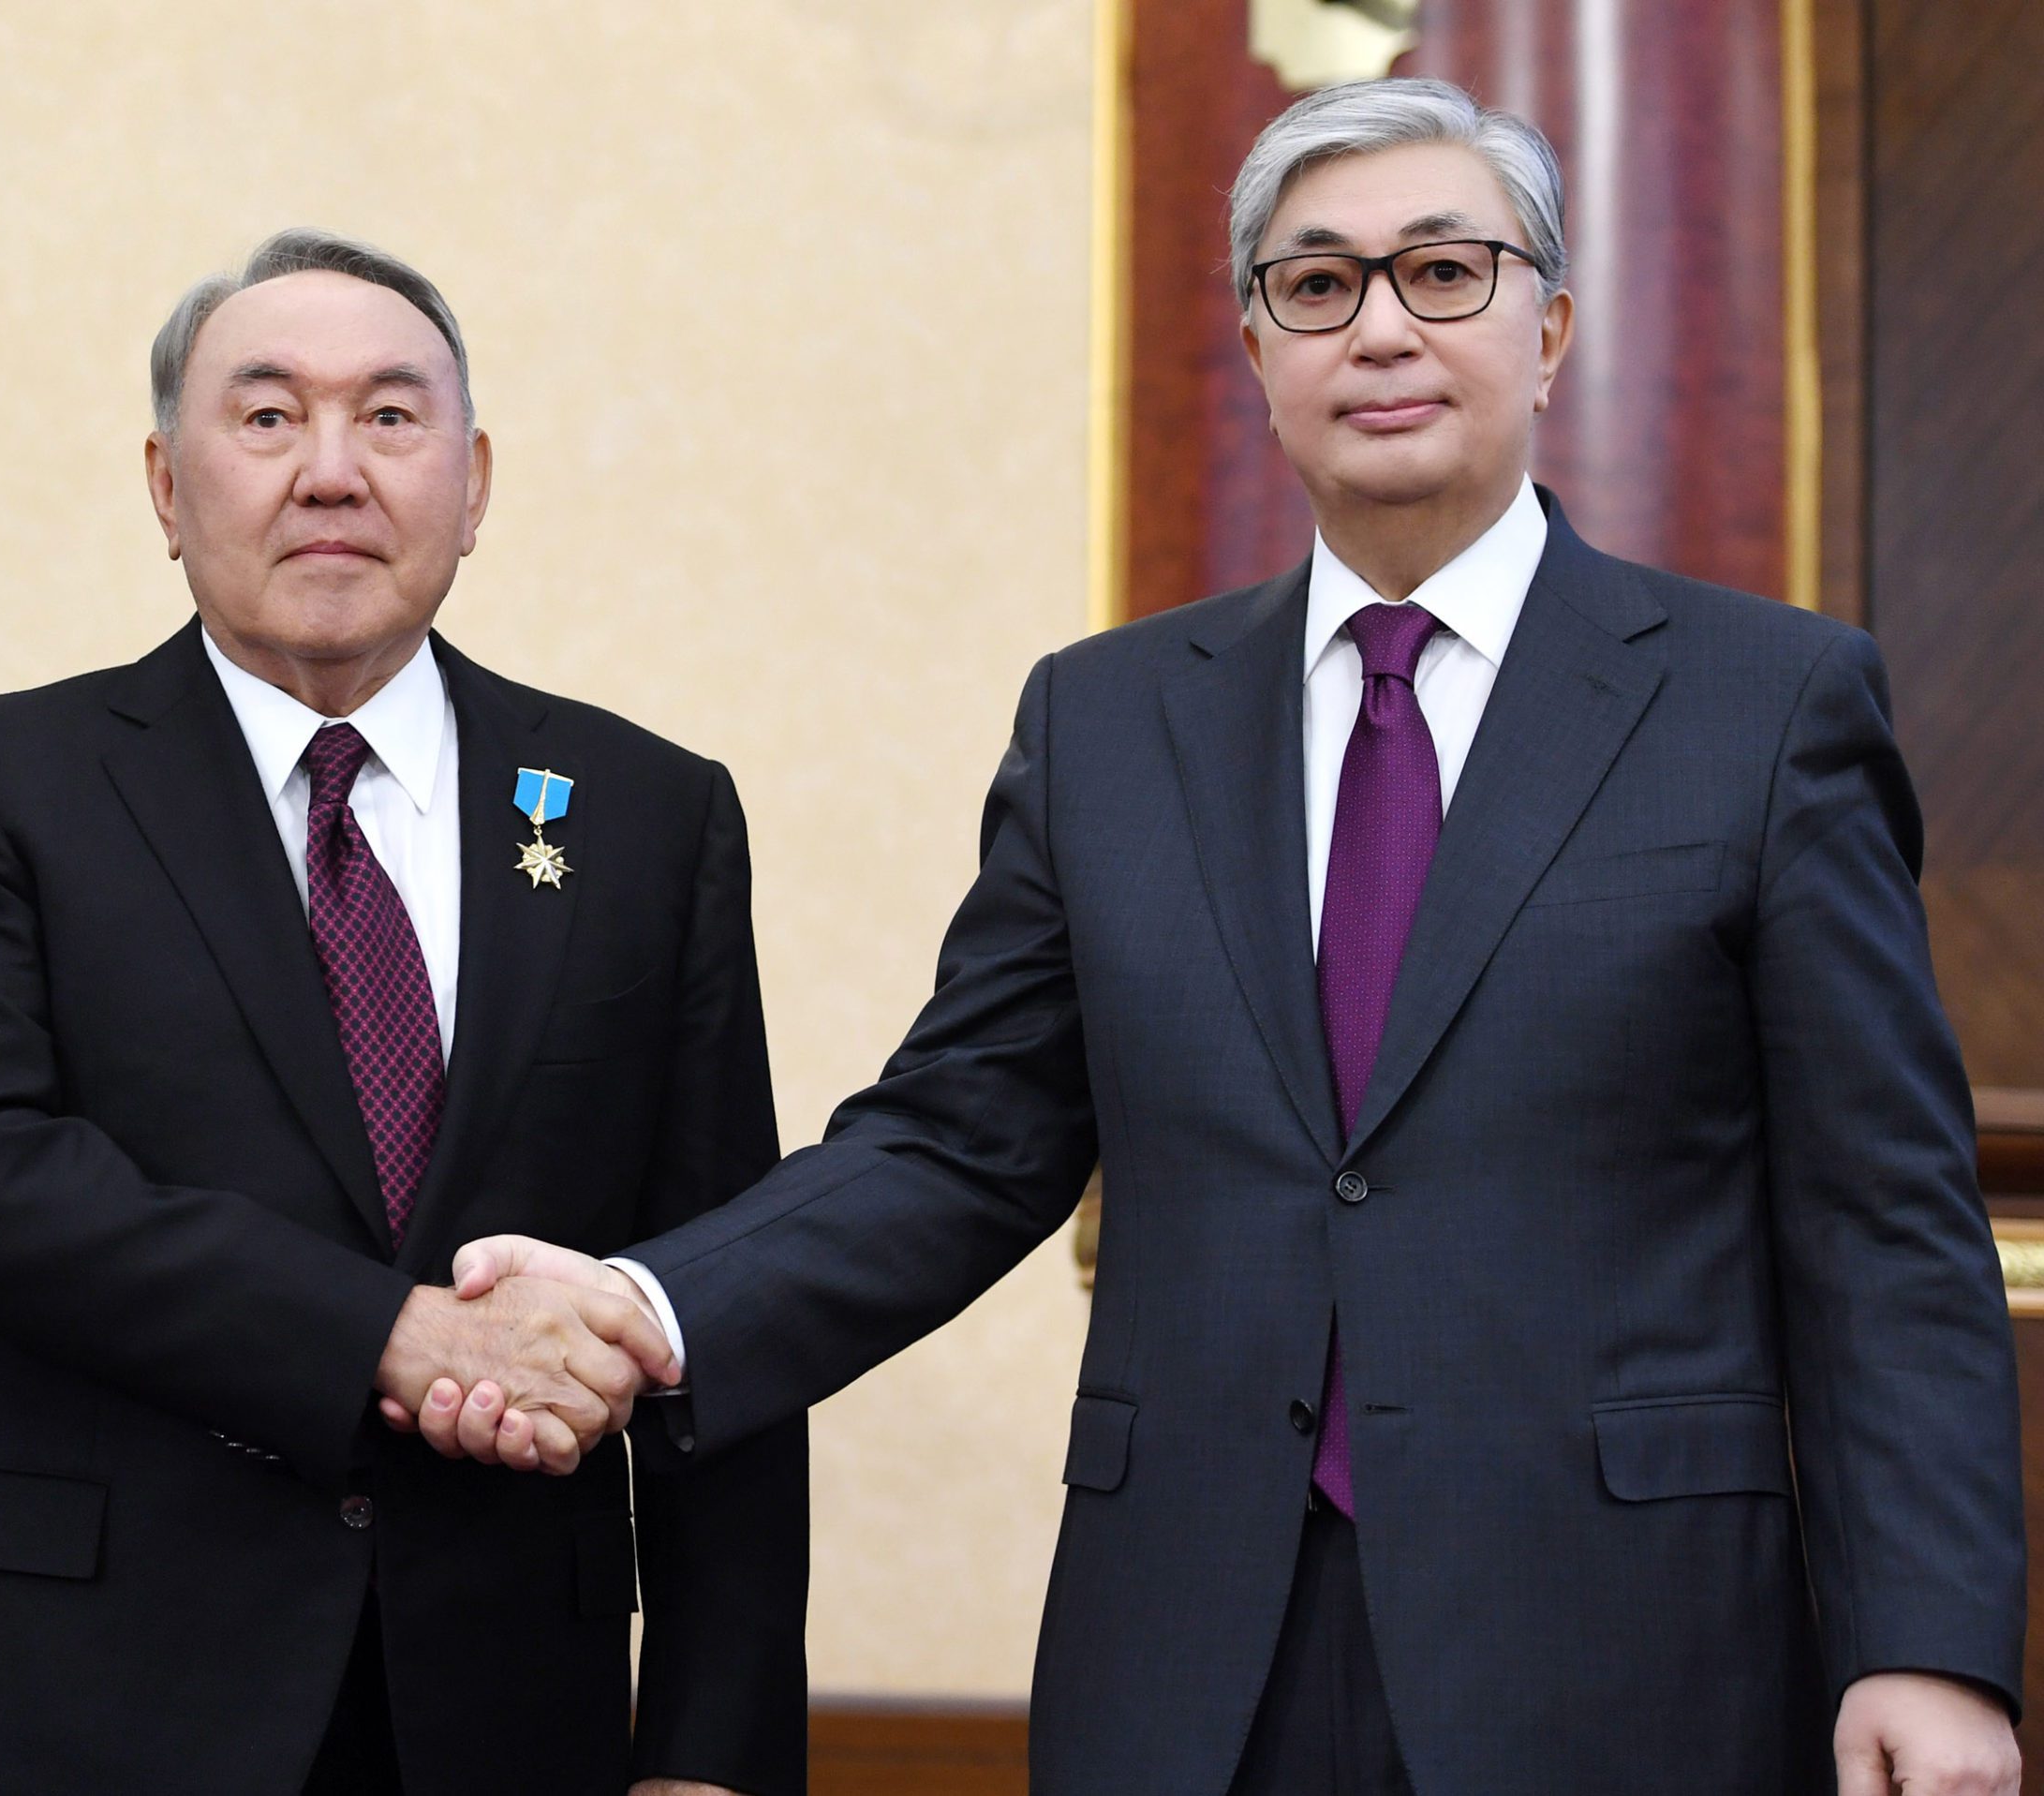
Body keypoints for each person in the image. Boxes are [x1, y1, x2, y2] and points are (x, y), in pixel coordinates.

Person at [440, 80, 2025, 1795]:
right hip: (1192, 1656)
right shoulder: (1111, 721)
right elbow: (960, 1141)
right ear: (1260, 352)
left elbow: (1883, 1222)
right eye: (1318, 284)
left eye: (1445, 272)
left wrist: (1928, 1643)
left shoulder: (1766, 704)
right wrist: (650, 1302)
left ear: (1552, 330)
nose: (1382, 329)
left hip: (1621, 1647)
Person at [0, 228, 806, 1796]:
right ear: (168, 486)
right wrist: (390, 1336)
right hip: (78, 1700)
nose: (332, 471)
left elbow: (720, 1288)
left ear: (473, 485)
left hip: (505, 1712)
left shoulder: (646, 811)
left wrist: (714, 1747)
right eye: (270, 416)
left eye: (392, 416)